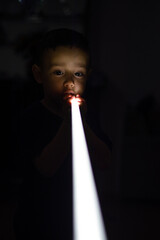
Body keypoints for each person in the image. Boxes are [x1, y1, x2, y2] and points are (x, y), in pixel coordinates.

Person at [12, 28, 111, 240]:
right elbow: (46, 167)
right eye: (58, 72)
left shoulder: (88, 116)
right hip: (37, 223)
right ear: (39, 75)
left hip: (75, 220)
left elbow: (104, 161)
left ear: (88, 76)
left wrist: (82, 123)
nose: (69, 82)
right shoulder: (31, 118)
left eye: (78, 73)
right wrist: (68, 122)